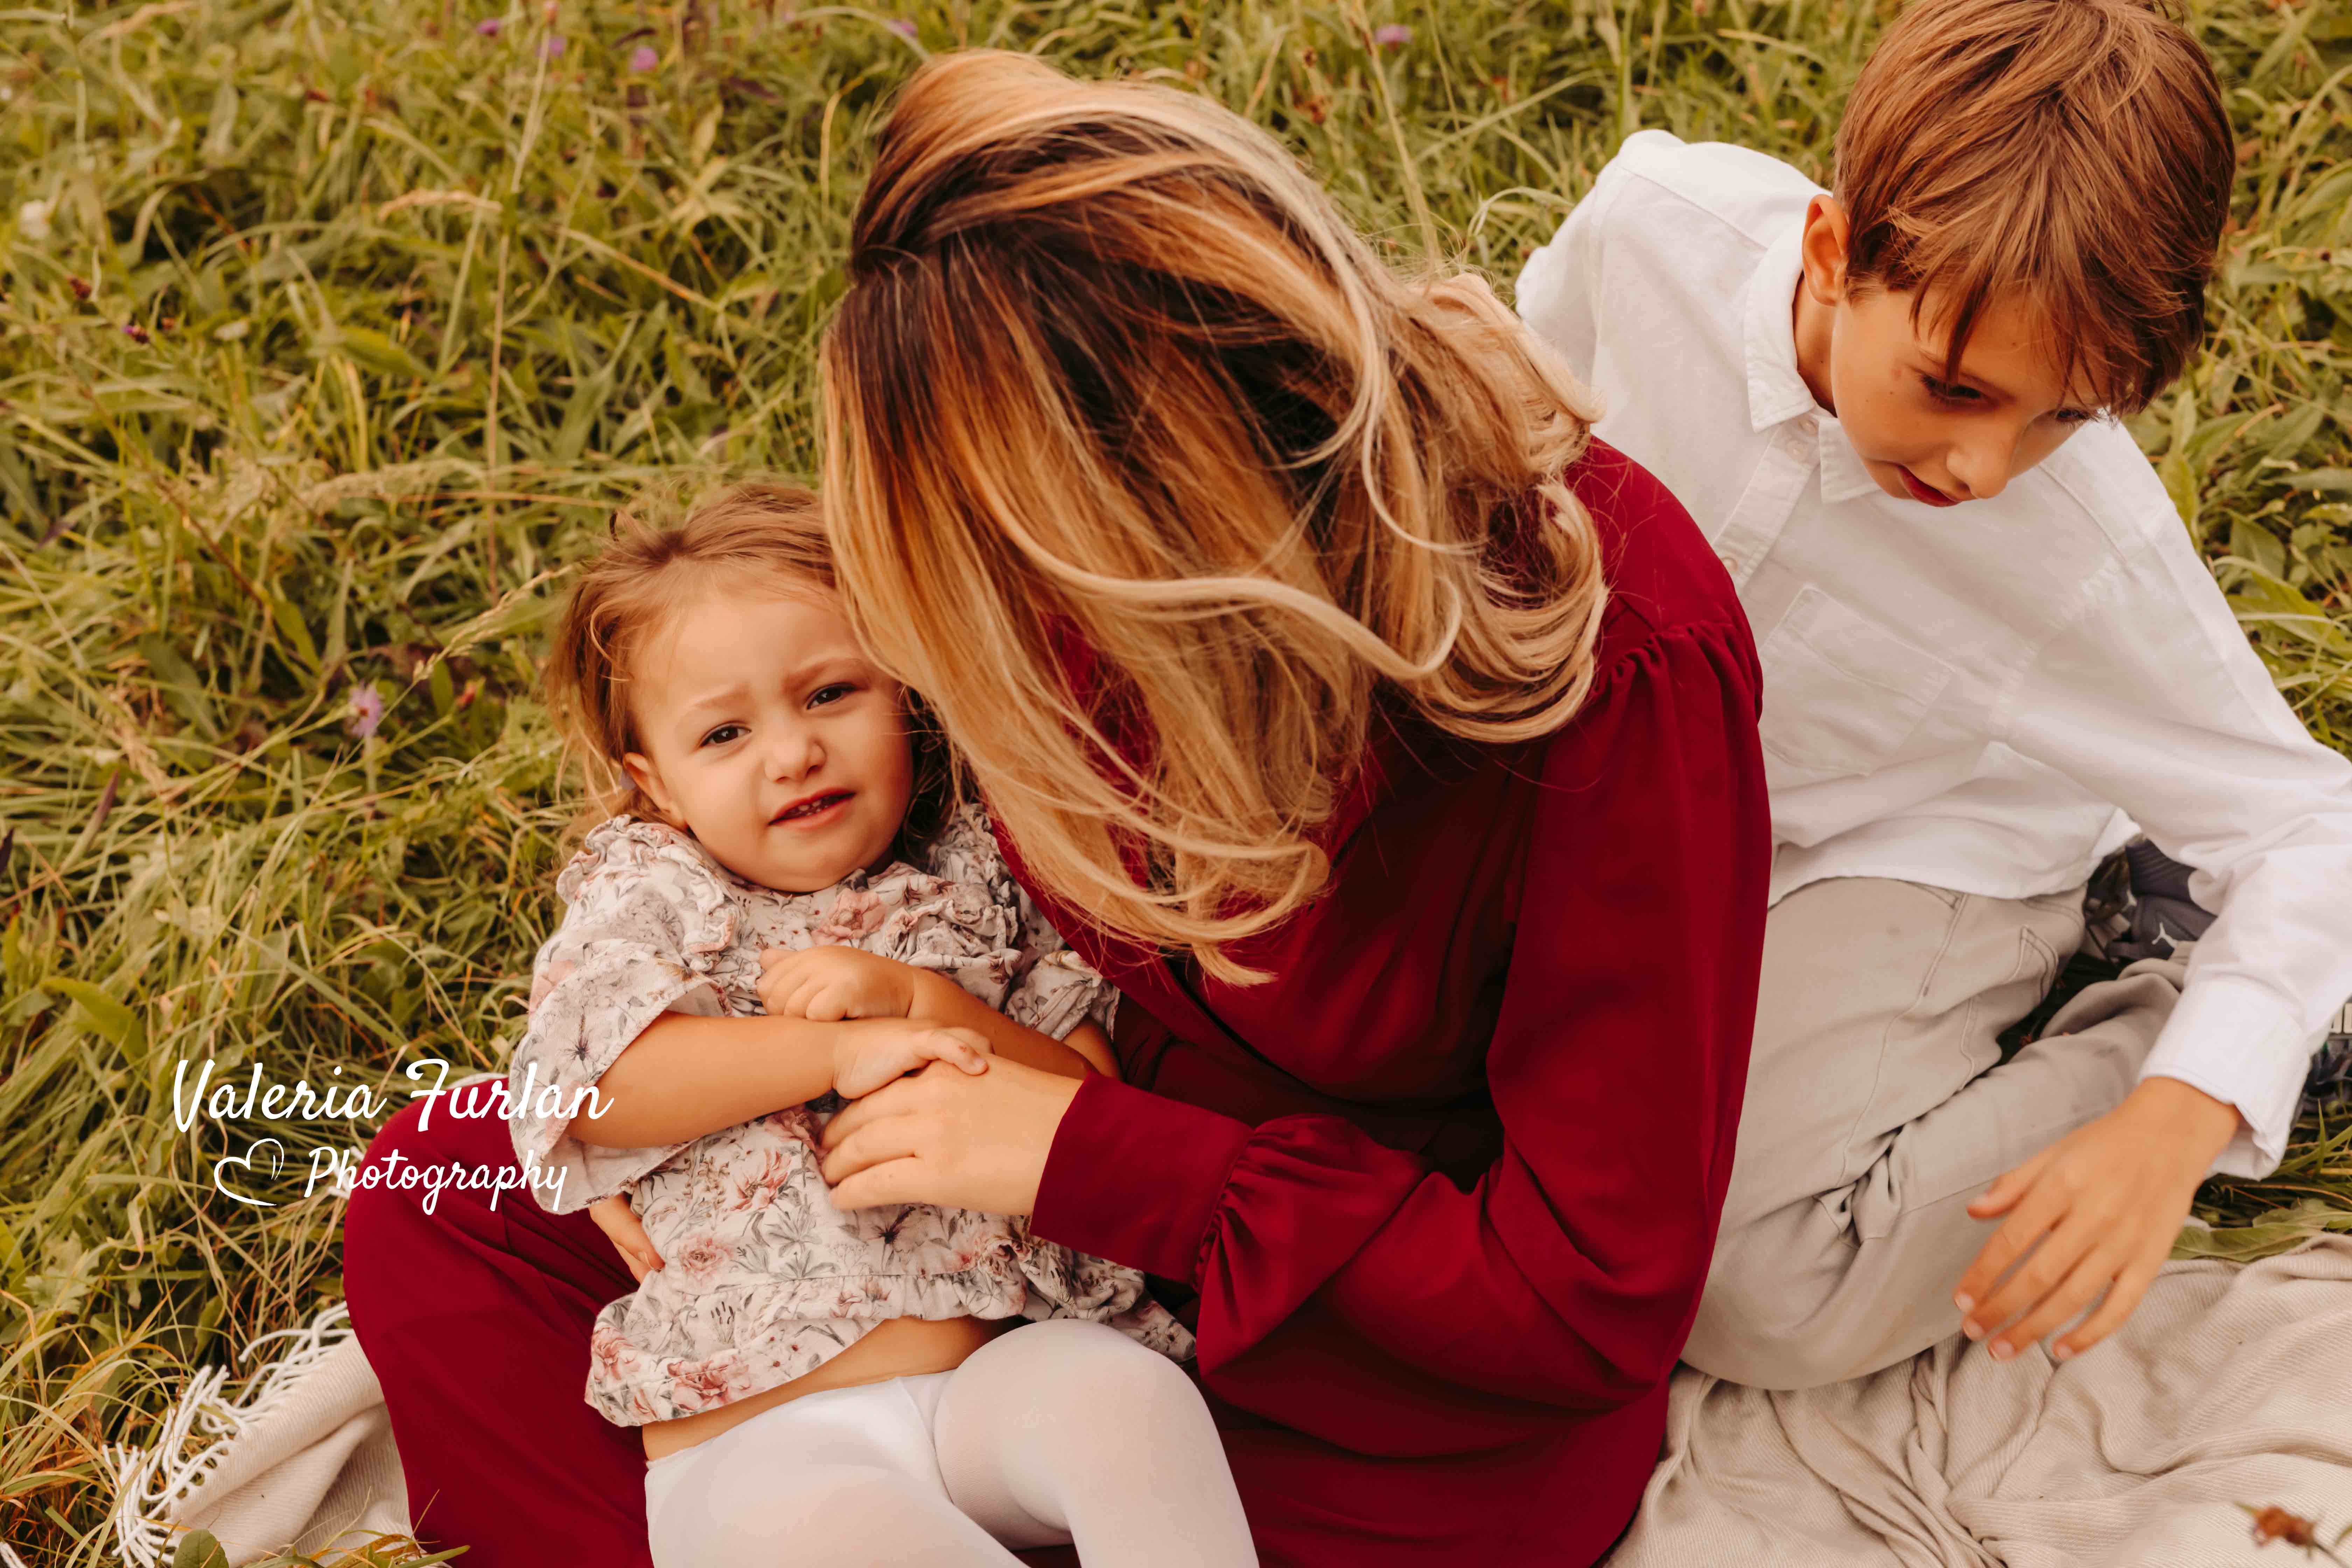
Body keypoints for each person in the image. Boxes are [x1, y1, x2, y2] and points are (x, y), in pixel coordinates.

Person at [343, 49, 1772, 1568]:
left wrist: (1079, 1150)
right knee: (441, 1188)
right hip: (973, 1180)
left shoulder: (1617, 669)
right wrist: (696, 1125)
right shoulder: (1021, 577)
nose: (980, 648)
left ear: (1179, 514)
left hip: (1335, 1317)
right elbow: (796, 803)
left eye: (1021, 581)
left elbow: (1578, 1301)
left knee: (1095, 1459)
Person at [1514, 0, 2352, 1390]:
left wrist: (2182, 1109)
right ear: (1834, 249)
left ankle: (2163, 994)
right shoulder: (1655, 220)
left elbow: (2318, 824)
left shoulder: (2081, 550)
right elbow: (1523, 409)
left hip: (1899, 841)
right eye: (1956, 388)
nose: (1985, 467)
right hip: (1621, 773)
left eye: (2061, 418)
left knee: (1761, 1289)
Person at [506, 481, 1249, 1567]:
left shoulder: (976, 871)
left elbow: (1093, 1104)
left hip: (1001, 1373)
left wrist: (932, 1007)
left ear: (903, 690)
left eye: (829, 694)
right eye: (724, 732)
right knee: (856, 1544)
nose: (792, 753)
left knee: (1132, 1410)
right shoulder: (651, 889)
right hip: (764, 1433)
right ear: (654, 785)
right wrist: (837, 1051)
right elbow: (592, 1084)